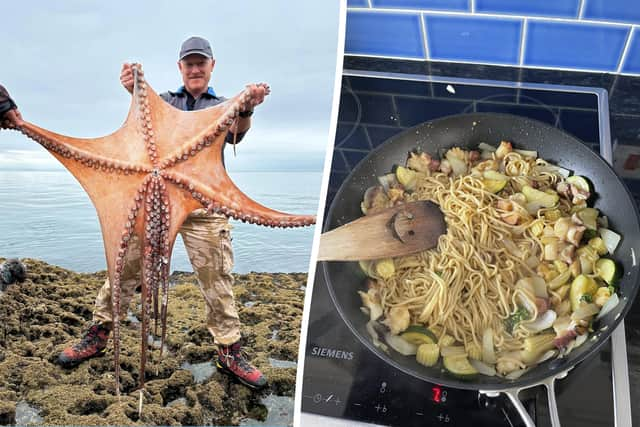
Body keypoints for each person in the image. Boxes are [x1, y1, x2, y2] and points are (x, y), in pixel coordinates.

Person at [57, 36, 269, 390]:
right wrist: (134, 87)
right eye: (190, 63)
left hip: (204, 207)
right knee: (124, 265)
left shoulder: (222, 105)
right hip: (155, 205)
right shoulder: (165, 102)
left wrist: (246, 107)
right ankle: (99, 332)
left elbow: (237, 135)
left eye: (201, 63)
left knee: (216, 276)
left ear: (212, 66)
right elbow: (145, 118)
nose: (196, 69)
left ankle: (229, 349)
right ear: (181, 68)